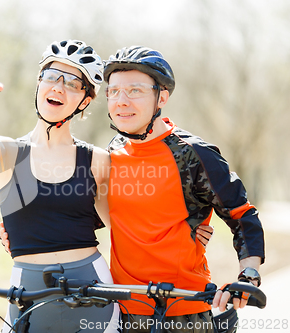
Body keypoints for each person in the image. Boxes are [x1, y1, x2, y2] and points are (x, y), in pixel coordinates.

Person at [103, 46, 265, 332]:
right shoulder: (111, 152)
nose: (121, 101)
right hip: (123, 310)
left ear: (161, 97)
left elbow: (243, 216)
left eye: (135, 90)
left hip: (183, 310)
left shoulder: (195, 154)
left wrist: (248, 275)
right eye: (113, 91)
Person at [0, 40, 121, 333]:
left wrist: (188, 229)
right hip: (27, 292)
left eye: (73, 83)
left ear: (85, 100)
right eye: (52, 76)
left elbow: (124, 227)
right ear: (39, 83)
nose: (59, 87)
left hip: (93, 288)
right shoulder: (9, 154)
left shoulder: (97, 160)